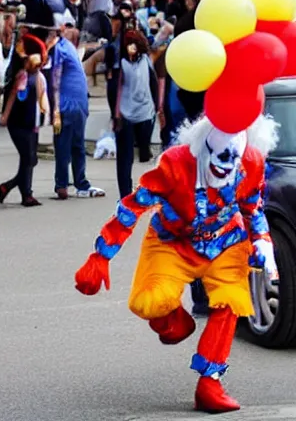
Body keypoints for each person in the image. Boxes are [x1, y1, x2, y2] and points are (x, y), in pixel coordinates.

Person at [74, 114, 279, 413]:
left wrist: (262, 241)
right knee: (149, 303)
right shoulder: (174, 164)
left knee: (232, 302)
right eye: (221, 157)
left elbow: (252, 207)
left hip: (226, 242)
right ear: (204, 149)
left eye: (234, 157)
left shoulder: (251, 162)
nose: (227, 165)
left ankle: (210, 383)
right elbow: (133, 206)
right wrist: (101, 256)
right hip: (172, 241)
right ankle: (176, 323)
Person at [47, 23, 105, 200]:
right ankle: (68, 184)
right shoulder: (60, 48)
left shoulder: (63, 47)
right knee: (69, 146)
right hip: (69, 105)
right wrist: (55, 109)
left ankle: (72, 183)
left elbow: (56, 79)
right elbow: (55, 80)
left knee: (72, 145)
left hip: (73, 105)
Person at [0, 34, 49, 206]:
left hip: (32, 123)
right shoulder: (22, 75)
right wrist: (5, 115)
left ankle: (9, 186)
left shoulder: (39, 76)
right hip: (18, 122)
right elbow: (13, 94)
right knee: (28, 158)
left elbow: (42, 98)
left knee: (30, 159)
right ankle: (26, 194)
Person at [113, 29, 157, 198]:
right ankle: (125, 193)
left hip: (145, 112)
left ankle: (145, 186)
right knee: (125, 156)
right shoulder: (120, 64)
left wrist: (157, 107)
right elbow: (115, 90)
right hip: (125, 114)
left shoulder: (146, 60)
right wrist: (116, 115)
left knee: (144, 152)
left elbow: (153, 82)